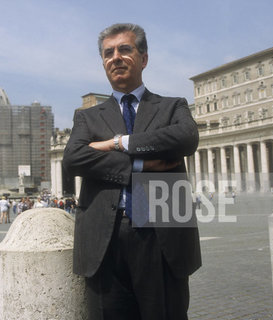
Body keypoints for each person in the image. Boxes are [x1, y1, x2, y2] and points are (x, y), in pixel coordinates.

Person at [63, 23, 201, 319]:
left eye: (124, 49)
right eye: (108, 53)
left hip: (161, 235)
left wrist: (117, 142)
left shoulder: (172, 106)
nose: (115, 57)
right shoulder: (86, 117)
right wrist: (138, 163)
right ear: (103, 62)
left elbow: (186, 138)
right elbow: (73, 158)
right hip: (104, 239)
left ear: (143, 58)